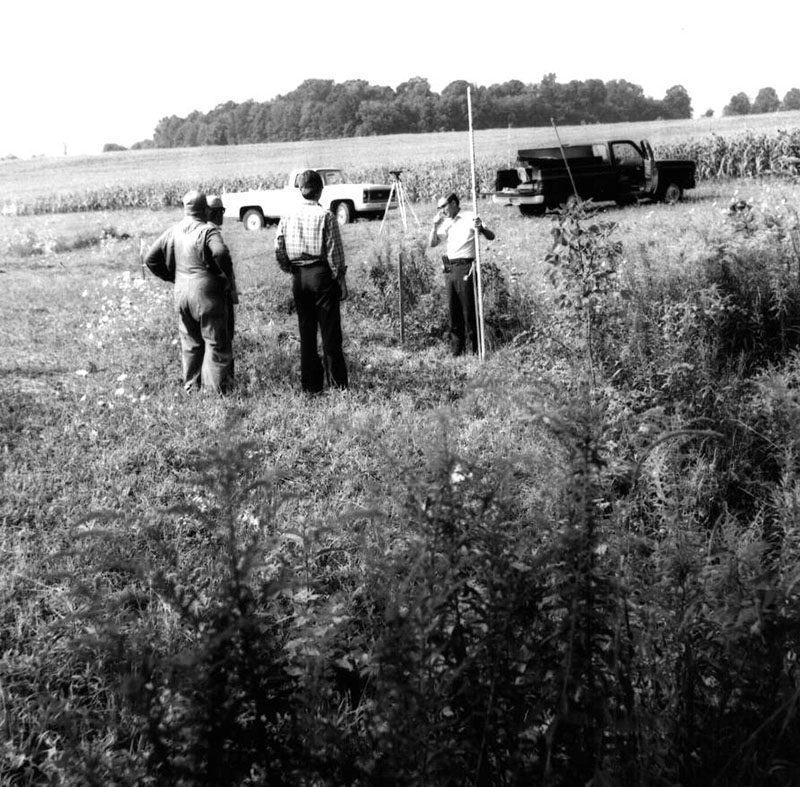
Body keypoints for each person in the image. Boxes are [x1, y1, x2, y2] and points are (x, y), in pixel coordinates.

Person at [143, 189, 234, 393]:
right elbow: (219, 252)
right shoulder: (207, 231)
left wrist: (171, 276)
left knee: (191, 343)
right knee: (215, 342)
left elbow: (150, 258)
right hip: (206, 293)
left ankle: (192, 387)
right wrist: (224, 274)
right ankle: (215, 392)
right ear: (204, 209)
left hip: (181, 292)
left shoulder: (174, 230)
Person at [275, 169, 348, 394]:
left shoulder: (287, 215)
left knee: (306, 334)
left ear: (301, 191)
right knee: (330, 334)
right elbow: (334, 253)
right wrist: (341, 281)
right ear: (320, 190)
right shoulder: (325, 216)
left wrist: (291, 269)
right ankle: (337, 386)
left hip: (299, 278)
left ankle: (311, 387)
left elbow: (279, 247)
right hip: (321, 276)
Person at [429, 192, 495, 356]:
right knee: (453, 308)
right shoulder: (445, 222)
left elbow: (490, 236)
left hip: (465, 265)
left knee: (468, 308)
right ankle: (456, 350)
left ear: (452, 203)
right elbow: (432, 243)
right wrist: (434, 226)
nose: (441, 211)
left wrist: (481, 229)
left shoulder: (469, 217)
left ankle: (475, 349)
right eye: (439, 208)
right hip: (448, 265)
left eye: (443, 207)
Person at [206, 194, 238, 379]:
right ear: (215, 213)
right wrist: (227, 277)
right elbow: (220, 255)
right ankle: (225, 380)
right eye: (221, 211)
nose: (222, 215)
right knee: (224, 338)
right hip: (219, 293)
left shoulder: (198, 230)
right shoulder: (212, 233)